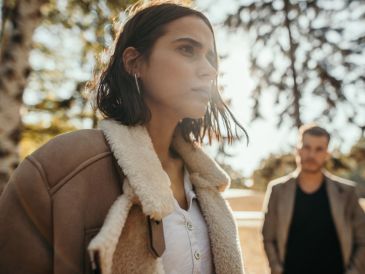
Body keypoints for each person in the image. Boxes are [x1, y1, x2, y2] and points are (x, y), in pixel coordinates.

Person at [0, 2, 246, 274]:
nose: (209, 70)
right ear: (134, 63)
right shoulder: (63, 166)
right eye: (187, 49)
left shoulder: (207, 184)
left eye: (211, 58)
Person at [262, 124, 365, 274]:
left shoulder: (346, 192)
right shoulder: (277, 190)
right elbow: (268, 237)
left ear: (327, 154)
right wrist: (276, 269)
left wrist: (354, 271)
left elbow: (362, 238)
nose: (311, 155)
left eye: (319, 149)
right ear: (298, 150)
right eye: (306, 147)